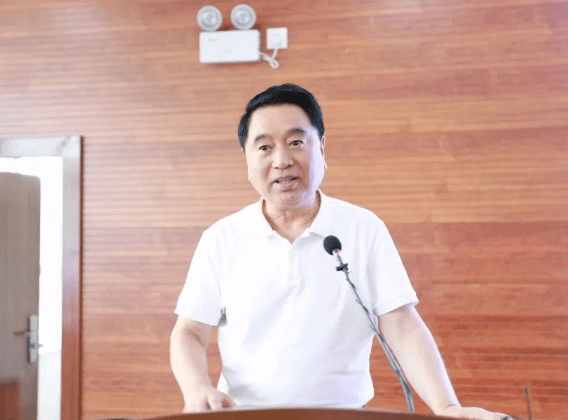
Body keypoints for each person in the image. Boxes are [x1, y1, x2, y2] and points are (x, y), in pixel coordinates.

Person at [170, 83, 511, 420]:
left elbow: (401, 323)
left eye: (296, 142)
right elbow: (190, 331)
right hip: (245, 416)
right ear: (247, 159)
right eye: (264, 147)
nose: (282, 160)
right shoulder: (222, 239)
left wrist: (446, 407)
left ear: (321, 148)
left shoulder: (363, 228)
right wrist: (196, 388)